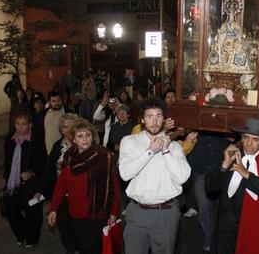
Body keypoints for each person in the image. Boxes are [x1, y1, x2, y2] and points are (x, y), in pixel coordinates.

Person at [206, 118, 259, 254]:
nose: (249, 143)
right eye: (246, 137)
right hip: (226, 224)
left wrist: (246, 174)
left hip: (253, 225)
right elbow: (210, 187)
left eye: (255, 139)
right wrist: (224, 165)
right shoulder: (229, 154)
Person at [119, 97, 191, 254]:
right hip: (136, 212)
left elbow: (182, 178)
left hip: (165, 213)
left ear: (164, 119)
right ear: (142, 120)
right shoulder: (130, 142)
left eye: (158, 116)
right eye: (149, 116)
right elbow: (125, 174)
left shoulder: (175, 148)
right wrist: (150, 151)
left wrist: (165, 150)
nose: (154, 121)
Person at [48, 118, 120, 254]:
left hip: (98, 213)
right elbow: (61, 186)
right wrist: (54, 209)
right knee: (82, 247)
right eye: (80, 136)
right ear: (74, 140)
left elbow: (114, 188)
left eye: (88, 135)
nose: (85, 139)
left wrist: (114, 212)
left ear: (92, 137)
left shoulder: (104, 156)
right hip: (76, 213)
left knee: (90, 246)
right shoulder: (69, 159)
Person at [34, 113, 79, 253]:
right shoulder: (57, 146)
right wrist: (40, 189)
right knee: (64, 225)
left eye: (72, 126)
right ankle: (71, 249)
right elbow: (48, 170)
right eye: (65, 127)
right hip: (62, 193)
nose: (69, 129)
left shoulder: (83, 143)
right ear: (61, 130)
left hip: (80, 193)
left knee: (79, 224)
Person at [3, 112, 47, 248]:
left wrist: (32, 172)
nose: (20, 127)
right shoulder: (10, 139)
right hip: (12, 182)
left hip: (31, 183)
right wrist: (6, 177)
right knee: (11, 211)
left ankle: (32, 238)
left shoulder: (36, 139)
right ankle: (21, 234)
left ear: (30, 125)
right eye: (17, 124)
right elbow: (7, 161)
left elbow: (43, 161)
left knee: (32, 211)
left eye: (23, 124)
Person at [187, 132, 231, 253]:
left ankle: (217, 240)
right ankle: (208, 240)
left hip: (220, 169)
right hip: (200, 170)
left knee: (221, 208)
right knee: (204, 208)